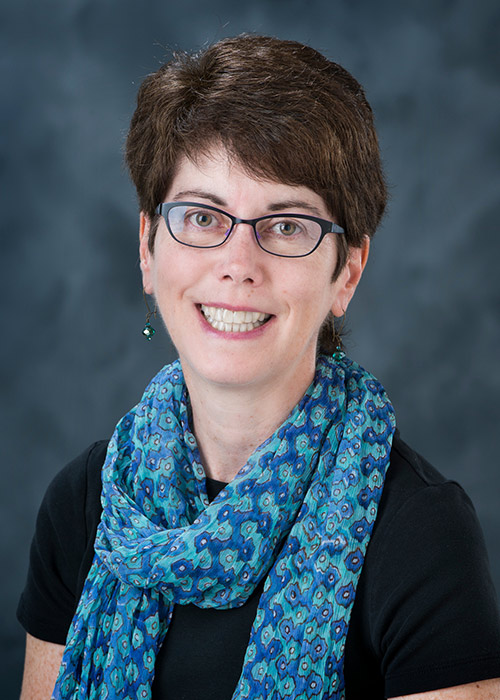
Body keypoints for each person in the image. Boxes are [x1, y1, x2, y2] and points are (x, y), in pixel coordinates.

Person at [17, 34, 500, 700]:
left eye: (287, 225)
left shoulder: (420, 534)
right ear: (148, 251)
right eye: (202, 216)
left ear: (347, 272)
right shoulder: (85, 506)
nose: (239, 262)